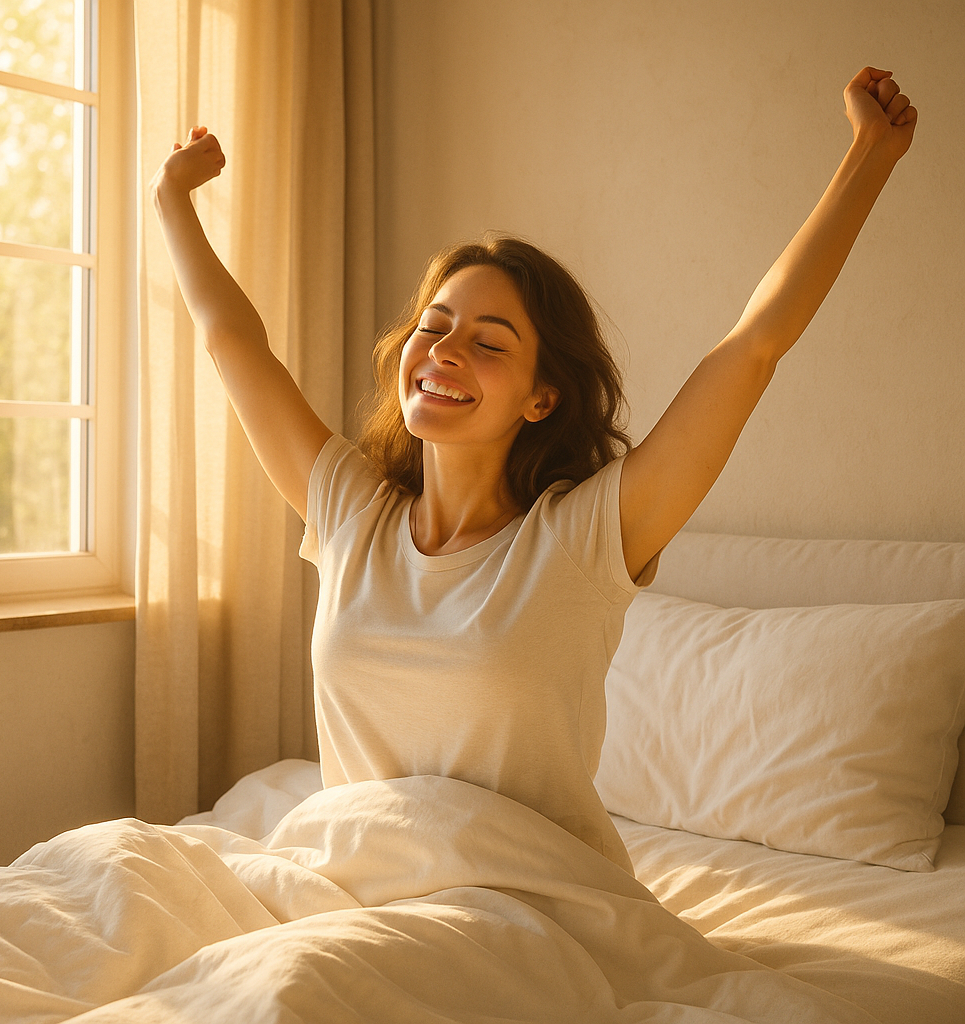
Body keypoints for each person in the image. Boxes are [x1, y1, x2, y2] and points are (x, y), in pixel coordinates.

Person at [151, 67, 917, 870]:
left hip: (519, 905)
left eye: (488, 343)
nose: (444, 351)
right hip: (346, 881)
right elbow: (231, 340)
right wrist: (171, 198)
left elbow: (753, 347)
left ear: (542, 398)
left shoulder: (584, 538)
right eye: (433, 327)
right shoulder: (350, 511)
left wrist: (871, 155)